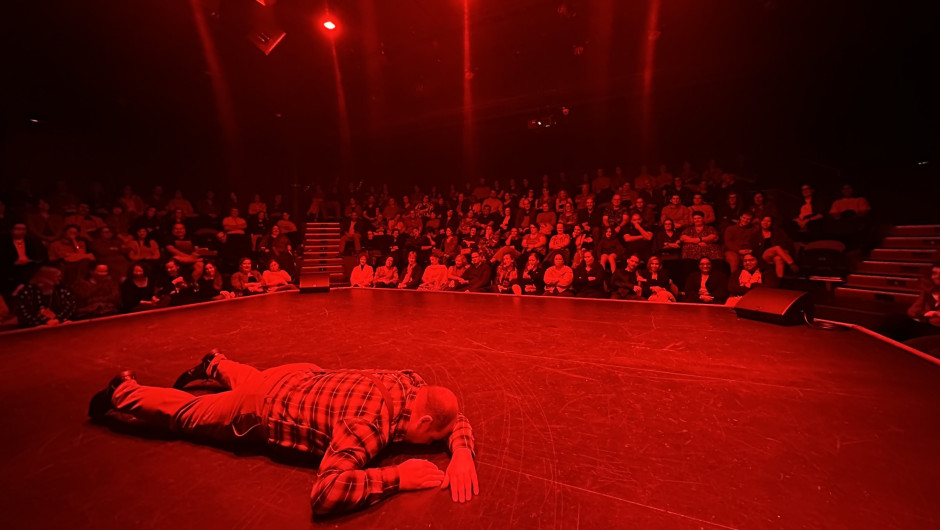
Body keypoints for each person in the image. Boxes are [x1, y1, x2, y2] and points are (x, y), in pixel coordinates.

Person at [88, 350, 478, 515]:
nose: (431, 446)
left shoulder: (411, 382)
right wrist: (397, 477)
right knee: (189, 415)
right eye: (432, 440)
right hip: (260, 408)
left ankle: (215, 363)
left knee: (255, 379)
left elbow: (449, 414)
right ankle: (123, 392)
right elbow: (327, 492)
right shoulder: (368, 424)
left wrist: (461, 450)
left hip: (298, 375)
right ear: (423, 423)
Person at [12, 266, 76, 327]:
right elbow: (24, 314)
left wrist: (58, 319)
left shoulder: (61, 291)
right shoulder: (27, 292)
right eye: (56, 276)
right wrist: (44, 321)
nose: (59, 279)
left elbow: (69, 306)